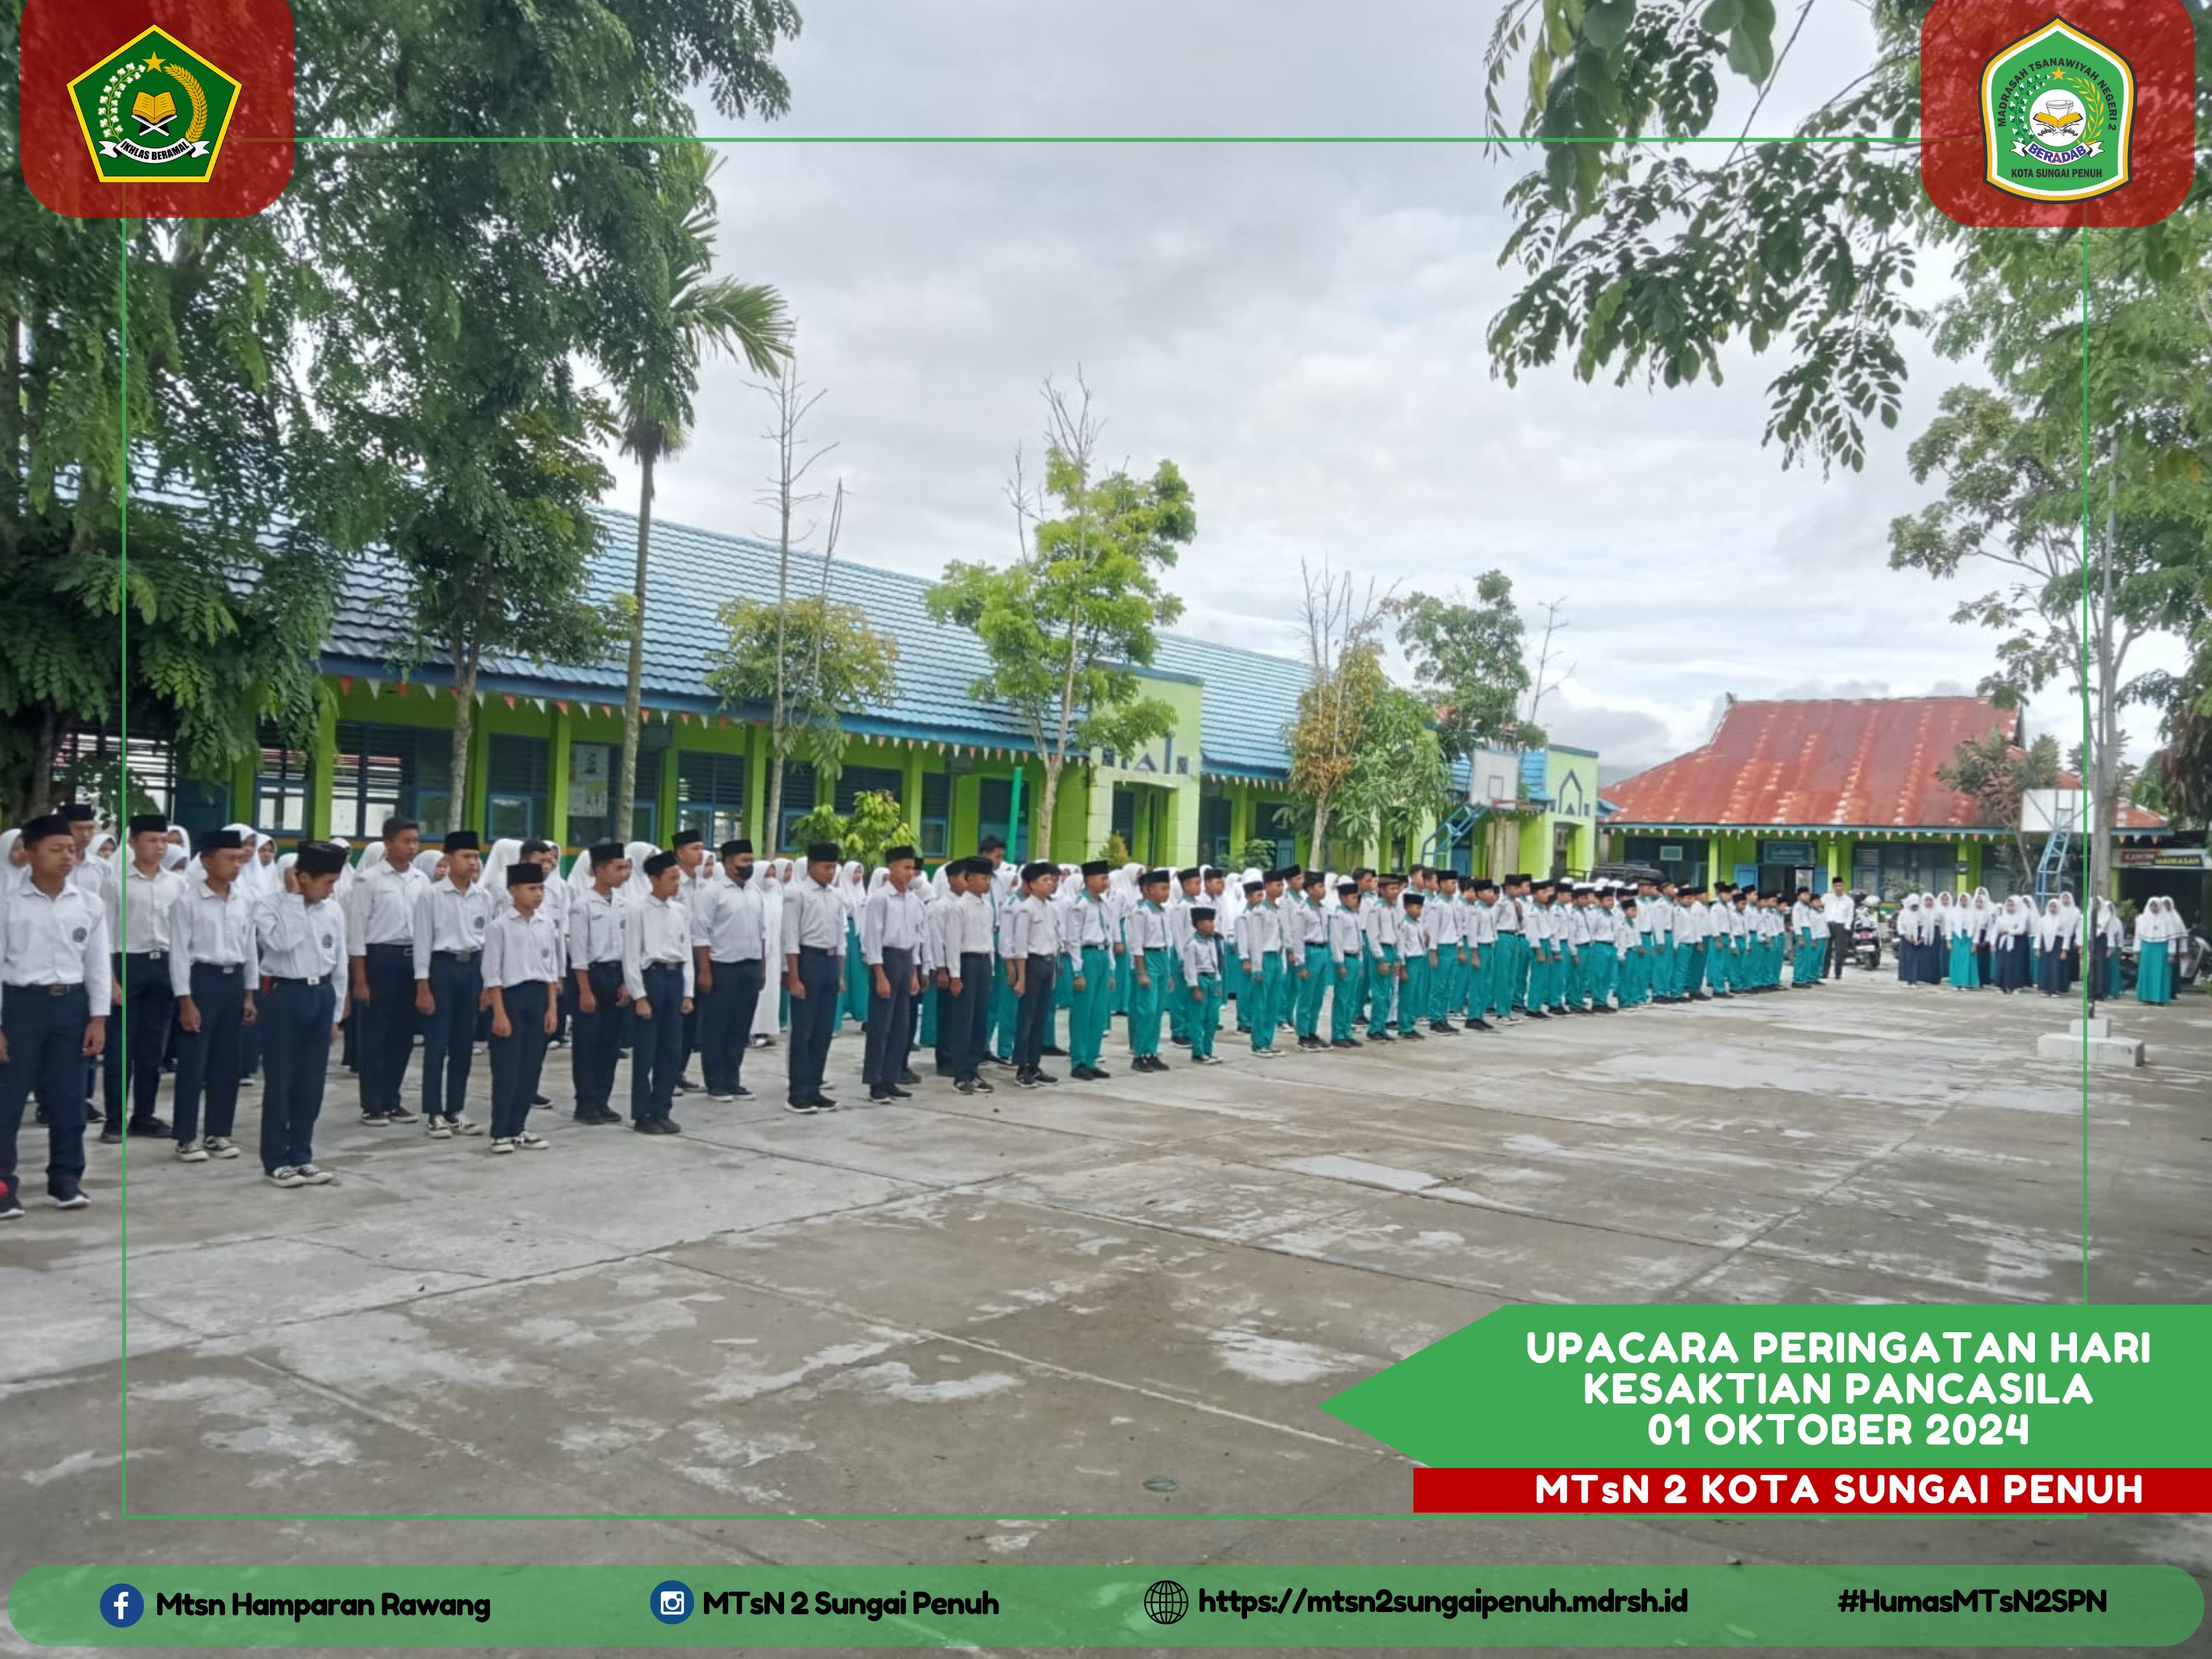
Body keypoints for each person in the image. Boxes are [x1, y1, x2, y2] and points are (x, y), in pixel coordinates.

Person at [0, 815, 109, 1219]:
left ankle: (65, 1181)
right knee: (7, 1101)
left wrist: (98, 1018)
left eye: (71, 849)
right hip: (21, 1007)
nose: (67, 856)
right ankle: (3, 1187)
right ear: (30, 854)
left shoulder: (89, 904)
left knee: (69, 1099)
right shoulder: (8, 905)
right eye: (56, 849)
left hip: (71, 1007)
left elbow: (97, 964)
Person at [254, 840, 348, 1188]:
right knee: (282, 1081)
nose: (331, 889)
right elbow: (282, 943)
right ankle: (276, 1160)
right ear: (302, 877)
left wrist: (336, 1015)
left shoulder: (332, 910)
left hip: (320, 995)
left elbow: (339, 964)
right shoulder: (268, 906)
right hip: (285, 995)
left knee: (312, 1082)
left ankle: (302, 1155)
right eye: (327, 882)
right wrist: (294, 899)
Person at [168, 828, 258, 1161]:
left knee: (227, 1062)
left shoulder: (244, 901)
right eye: (229, 859)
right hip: (201, 982)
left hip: (233, 982)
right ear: (206, 862)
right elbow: (179, 954)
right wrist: (185, 1000)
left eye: (239, 860)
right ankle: (186, 1137)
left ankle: (218, 1132)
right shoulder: (187, 902)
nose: (236, 865)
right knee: (194, 1062)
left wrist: (249, 994)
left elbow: (250, 948)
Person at [100, 813, 180, 1144]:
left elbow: (182, 933)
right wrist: (110, 980)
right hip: (127, 964)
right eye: (151, 840)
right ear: (133, 843)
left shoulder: (176, 883)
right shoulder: (115, 882)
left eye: (163, 840)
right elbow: (104, 935)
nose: (159, 847)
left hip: (164, 965)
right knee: (121, 1047)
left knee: (153, 1047)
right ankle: (114, 1120)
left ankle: (144, 1115)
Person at [347, 815, 427, 1125]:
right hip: (380, 960)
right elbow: (357, 932)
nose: (412, 847)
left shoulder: (421, 880)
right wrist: (360, 979)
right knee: (375, 1035)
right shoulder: (369, 880)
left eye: (416, 841)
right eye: (406, 841)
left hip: (412, 960)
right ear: (388, 843)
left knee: (402, 1035)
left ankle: (393, 1099)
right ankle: (373, 1104)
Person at [411, 830, 489, 1139]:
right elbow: (422, 942)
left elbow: (488, 943)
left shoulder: (483, 896)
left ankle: (456, 1109)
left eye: (476, 857)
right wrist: (422, 985)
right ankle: (434, 1112)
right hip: (441, 968)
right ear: (448, 858)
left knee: (463, 1045)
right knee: (437, 1044)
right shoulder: (431, 896)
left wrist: (487, 984)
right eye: (466, 856)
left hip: (472, 969)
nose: (473, 862)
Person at [482, 859, 561, 1153]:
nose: (538, 894)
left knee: (531, 1067)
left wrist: (552, 1009)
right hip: (511, 998)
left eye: (541, 888)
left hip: (538, 998)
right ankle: (500, 1131)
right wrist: (499, 1013)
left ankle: (519, 1127)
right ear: (513, 890)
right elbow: (493, 973)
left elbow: (551, 970)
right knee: (507, 1068)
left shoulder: (546, 924)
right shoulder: (499, 927)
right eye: (531, 888)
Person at [691, 839, 767, 1102]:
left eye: (751, 860)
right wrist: (705, 971)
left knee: (740, 1026)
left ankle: (733, 1080)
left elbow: (762, 934)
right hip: (722, 967)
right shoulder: (712, 892)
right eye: (744, 861)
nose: (749, 865)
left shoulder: (755, 892)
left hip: (750, 966)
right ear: (729, 863)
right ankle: (716, 1082)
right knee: (717, 1026)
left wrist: (762, 968)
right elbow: (701, 935)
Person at [624, 848, 695, 1133]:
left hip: (674, 979)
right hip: (651, 978)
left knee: (671, 1050)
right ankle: (643, 1114)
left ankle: (662, 1109)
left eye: (678, 878)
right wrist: (639, 996)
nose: (676, 884)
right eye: (671, 878)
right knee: (646, 1052)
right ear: (654, 880)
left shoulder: (679, 911)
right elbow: (631, 957)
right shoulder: (638, 910)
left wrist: (688, 992)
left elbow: (686, 952)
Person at [781, 842, 846, 1114]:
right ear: (811, 867)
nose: (831, 872)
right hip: (808, 960)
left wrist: (840, 974)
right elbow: (790, 938)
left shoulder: (836, 895)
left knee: (823, 1031)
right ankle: (798, 1092)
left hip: (830, 962)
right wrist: (794, 978)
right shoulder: (796, 893)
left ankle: (815, 1087)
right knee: (804, 1030)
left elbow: (841, 937)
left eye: (834, 867)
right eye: (826, 867)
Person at [860, 846, 929, 1103]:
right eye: (905, 867)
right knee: (881, 1025)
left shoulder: (913, 900)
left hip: (905, 961)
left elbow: (915, 938)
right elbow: (873, 938)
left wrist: (914, 973)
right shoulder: (880, 899)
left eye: (913, 869)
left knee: (901, 1026)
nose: (910, 873)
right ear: (891, 868)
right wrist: (879, 974)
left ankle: (891, 1078)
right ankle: (875, 1081)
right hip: (886, 960)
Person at [1006, 861, 1061, 1088]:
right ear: (1031, 884)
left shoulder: (1050, 908)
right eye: (1044, 880)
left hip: (1047, 963)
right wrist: (1021, 978)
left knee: (1041, 1018)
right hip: (1032, 964)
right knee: (1027, 1018)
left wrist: (1055, 969)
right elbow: (1020, 947)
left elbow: (1054, 940)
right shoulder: (1025, 909)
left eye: (1051, 880)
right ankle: (1022, 1067)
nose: (1050, 884)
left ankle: (1035, 1064)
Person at [1123, 869, 1175, 1072]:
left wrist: (1169, 973)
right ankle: (1139, 1054)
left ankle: (1151, 1052)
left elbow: (1167, 941)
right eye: (1163, 889)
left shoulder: (1164, 912)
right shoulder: (1141, 912)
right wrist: (1142, 972)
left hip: (1162, 957)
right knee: (1147, 1010)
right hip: (1148, 958)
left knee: (1158, 1010)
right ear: (1150, 890)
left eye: (1168, 888)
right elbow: (1136, 944)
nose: (1166, 893)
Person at [1181, 904, 1225, 1065]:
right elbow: (1190, 968)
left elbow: (1216, 963)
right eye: (1210, 922)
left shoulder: (1213, 941)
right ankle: (1198, 1052)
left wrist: (1219, 982)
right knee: (1198, 1018)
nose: (1213, 925)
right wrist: (1195, 988)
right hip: (1200, 980)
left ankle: (1208, 1050)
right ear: (1199, 924)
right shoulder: (1192, 944)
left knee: (1212, 1018)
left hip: (1213, 980)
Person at [2134, 897, 2176, 1005]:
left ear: (2160, 906)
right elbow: (2138, 936)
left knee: (2160, 973)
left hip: (2161, 948)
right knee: (2146, 972)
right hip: (2146, 948)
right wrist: (2137, 951)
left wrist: (2171, 953)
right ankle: (2146, 997)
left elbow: (2172, 938)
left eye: (2156, 906)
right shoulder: (2142, 919)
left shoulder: (2168, 919)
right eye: (2152, 906)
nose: (2154, 908)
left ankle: (2160, 999)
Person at [1989, 895, 2032, 994]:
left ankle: (2015, 986)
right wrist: (1992, 944)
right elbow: (1995, 931)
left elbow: (2021, 930)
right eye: (2008, 905)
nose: (2010, 908)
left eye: (2012, 905)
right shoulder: (2001, 918)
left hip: (2016, 944)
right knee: (2002, 964)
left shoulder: (2021, 918)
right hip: (2003, 943)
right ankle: (2002, 986)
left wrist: (2009, 931)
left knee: (2015, 965)